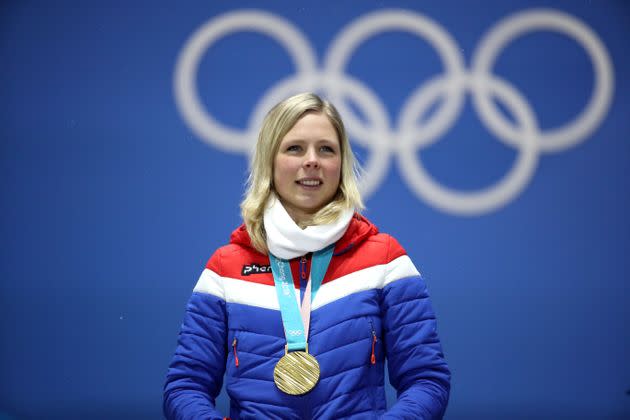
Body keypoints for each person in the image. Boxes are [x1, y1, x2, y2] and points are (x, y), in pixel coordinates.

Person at [163, 92, 450, 419]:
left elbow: (427, 380)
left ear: (341, 164)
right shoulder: (226, 267)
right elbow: (186, 385)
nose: (311, 160)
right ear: (270, 160)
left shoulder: (385, 259)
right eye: (294, 148)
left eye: (326, 149)